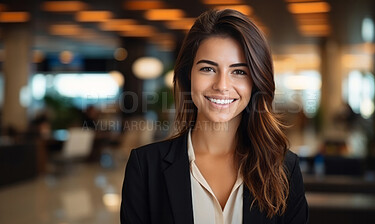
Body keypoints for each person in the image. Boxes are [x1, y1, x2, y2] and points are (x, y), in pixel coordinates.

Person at [121, 9, 308, 224]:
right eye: (208, 68)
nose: (222, 86)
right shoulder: (145, 166)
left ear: (256, 81)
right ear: (187, 75)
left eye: (239, 71)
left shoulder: (284, 168)